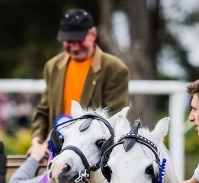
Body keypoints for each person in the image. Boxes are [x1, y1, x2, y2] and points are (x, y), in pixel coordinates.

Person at [29, 8, 130, 153]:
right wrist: (37, 142)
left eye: (79, 40)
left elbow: (114, 120)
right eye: (69, 41)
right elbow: (44, 111)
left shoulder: (115, 69)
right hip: (55, 150)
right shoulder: (52, 67)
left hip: (92, 155)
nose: (74, 47)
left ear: (93, 34)